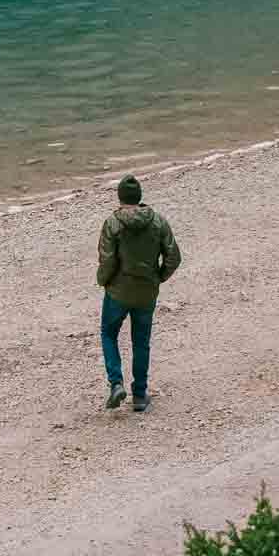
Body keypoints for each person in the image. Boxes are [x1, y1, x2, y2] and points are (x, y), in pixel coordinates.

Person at [96, 174, 181, 413]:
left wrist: (103, 281)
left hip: (117, 292)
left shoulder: (112, 223)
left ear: (120, 197)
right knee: (141, 342)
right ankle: (140, 395)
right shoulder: (158, 221)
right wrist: (158, 277)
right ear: (139, 196)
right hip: (146, 292)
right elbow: (174, 257)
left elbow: (107, 260)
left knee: (108, 334)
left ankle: (116, 383)